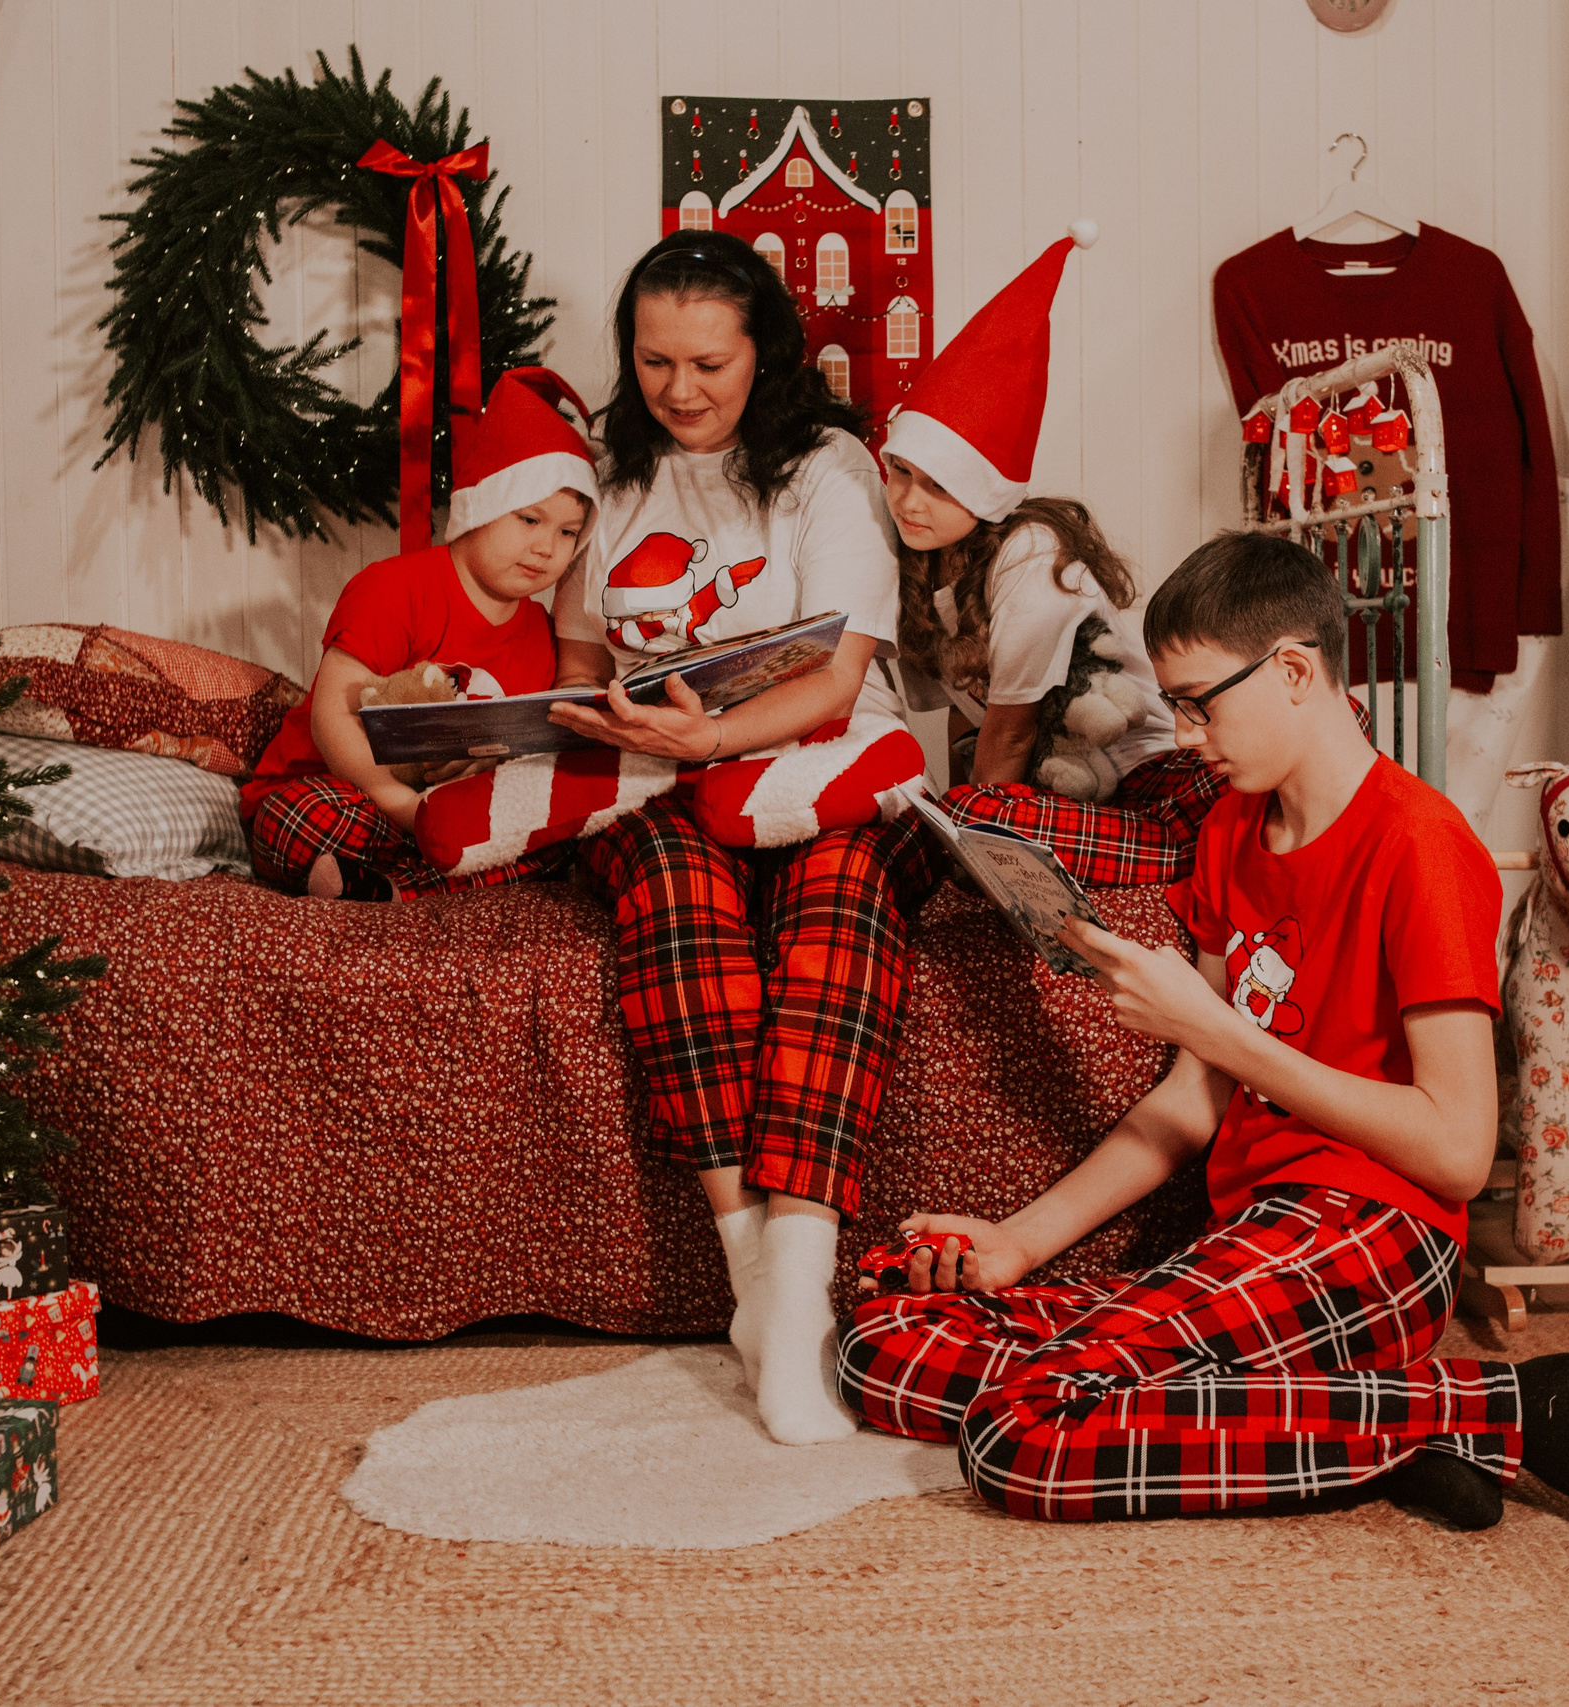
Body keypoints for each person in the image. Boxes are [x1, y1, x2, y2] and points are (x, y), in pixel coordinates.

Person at [840, 531, 1569, 1555]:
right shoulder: (1233, 834)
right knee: (881, 1344)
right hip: (1259, 1235)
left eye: (1198, 702)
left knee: (1024, 1433)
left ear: (1291, 673)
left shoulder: (1420, 846)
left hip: (1378, 1236)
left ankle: (1499, 1407)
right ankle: (1385, 1432)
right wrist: (1018, 1243)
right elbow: (1189, 1106)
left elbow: (1456, 1150)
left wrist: (1220, 1029)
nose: (1183, 736)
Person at [547, 230, 944, 1447]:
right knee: (675, 901)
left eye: (707, 362)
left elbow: (836, 681)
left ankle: (804, 1272)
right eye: (654, 360)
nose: (679, 389)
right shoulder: (610, 478)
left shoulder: (825, 467)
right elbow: (575, 661)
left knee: (837, 901)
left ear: (764, 350)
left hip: (822, 762)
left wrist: (712, 742)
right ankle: (755, 1290)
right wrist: (604, 723)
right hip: (658, 780)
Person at [882, 223, 1222, 888]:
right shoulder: (921, 562)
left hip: (1140, 776)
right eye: (899, 472)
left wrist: (969, 838)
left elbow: (1006, 734)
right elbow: (964, 717)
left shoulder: (1031, 556)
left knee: (967, 818)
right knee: (917, 824)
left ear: (982, 491)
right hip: (1048, 789)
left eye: (937, 485)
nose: (908, 501)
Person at [241, 368, 599, 901]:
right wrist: (401, 805)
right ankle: (397, 873)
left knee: (557, 833)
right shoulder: (395, 588)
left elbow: (511, 748)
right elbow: (332, 716)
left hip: (439, 815)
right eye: (529, 519)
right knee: (304, 820)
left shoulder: (541, 633)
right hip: (344, 792)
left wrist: (477, 774)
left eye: (568, 532)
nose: (548, 547)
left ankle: (387, 889)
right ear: (480, 508)